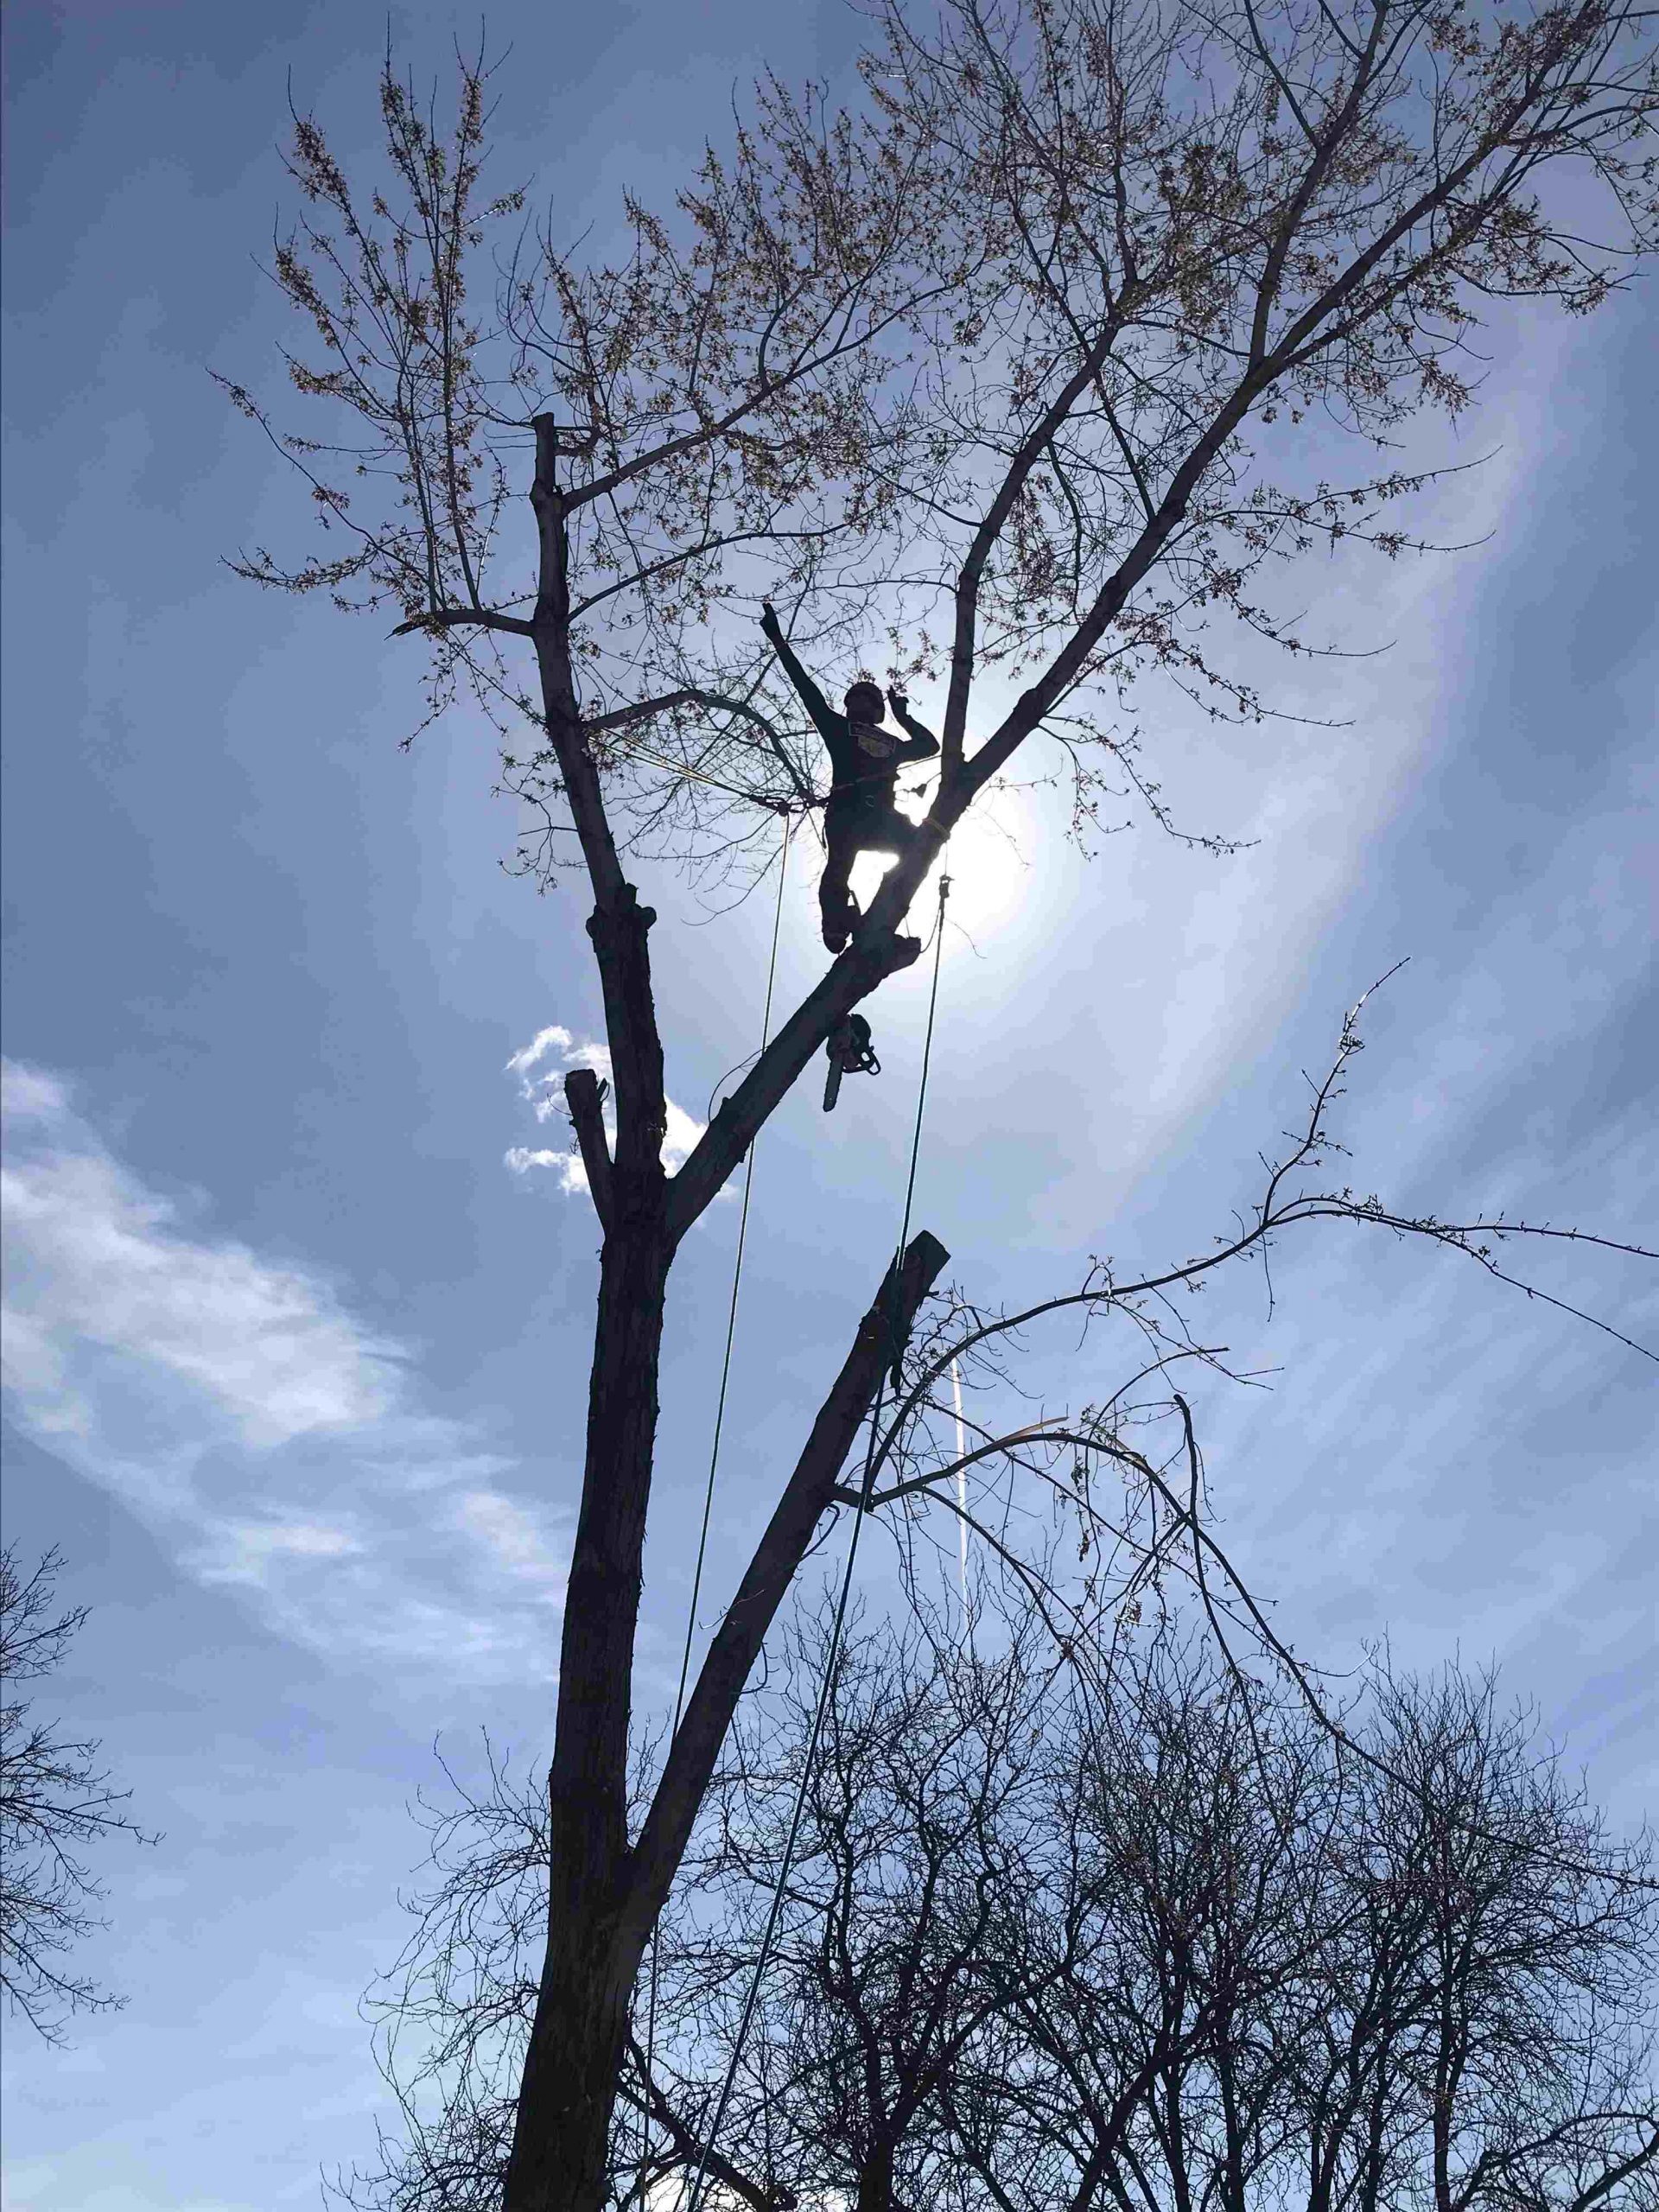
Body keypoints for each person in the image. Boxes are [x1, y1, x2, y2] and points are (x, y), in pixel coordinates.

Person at [760, 601, 939, 952]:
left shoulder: (893, 744)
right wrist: (778, 641)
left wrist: (903, 717)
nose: (857, 702)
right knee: (838, 868)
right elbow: (805, 688)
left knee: (921, 845)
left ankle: (884, 910)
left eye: (866, 699)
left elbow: (929, 745)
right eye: (853, 698)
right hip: (846, 813)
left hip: (884, 817)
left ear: (876, 710)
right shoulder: (838, 728)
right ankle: (837, 923)